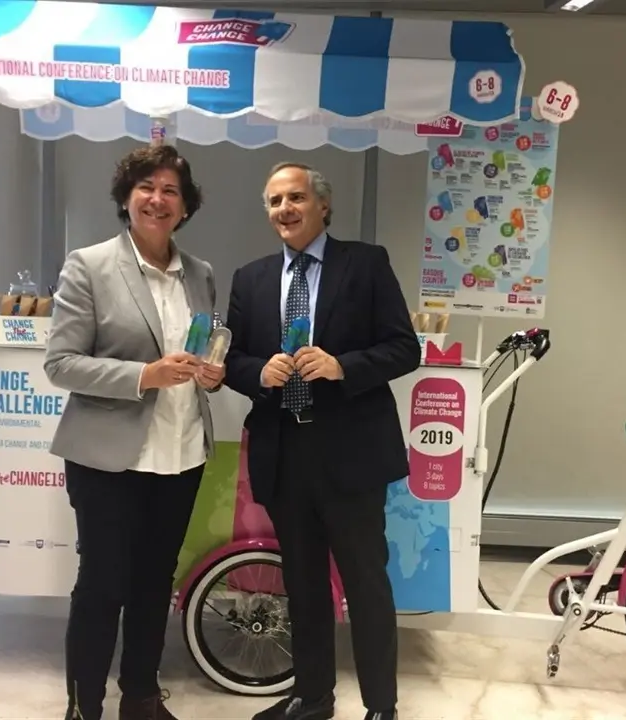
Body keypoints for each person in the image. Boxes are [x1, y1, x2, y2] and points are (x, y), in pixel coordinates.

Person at [224, 162, 421, 720]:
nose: (284, 209)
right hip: (284, 454)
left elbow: (405, 349)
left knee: (365, 584)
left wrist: (342, 366)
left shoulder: (366, 264)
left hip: (351, 454)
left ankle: (381, 707)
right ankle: (312, 699)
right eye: (274, 201)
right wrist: (258, 372)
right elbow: (233, 359)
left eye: (295, 198)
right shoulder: (251, 278)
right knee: (304, 585)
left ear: (323, 205)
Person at [44, 144, 225, 720]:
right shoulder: (89, 265)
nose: (157, 199)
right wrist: (145, 375)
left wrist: (212, 374)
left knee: (154, 582)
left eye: (171, 190)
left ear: (186, 207)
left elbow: (201, 349)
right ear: (126, 198)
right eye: (146, 186)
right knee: (103, 585)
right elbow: (61, 364)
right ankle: (85, 707)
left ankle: (141, 697)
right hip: (108, 459)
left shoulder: (201, 274)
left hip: (182, 452)